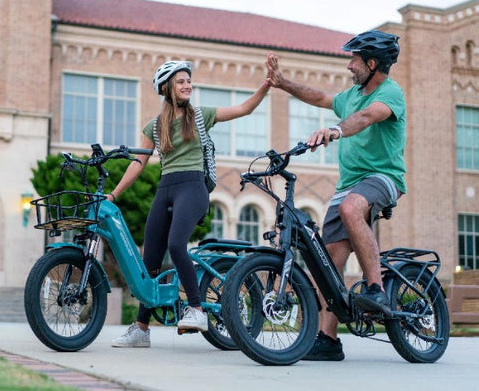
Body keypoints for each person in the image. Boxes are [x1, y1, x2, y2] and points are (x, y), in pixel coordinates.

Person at [266, 30, 406, 361]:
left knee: (351, 207)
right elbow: (319, 97)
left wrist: (337, 130)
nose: (349, 65)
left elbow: (368, 117)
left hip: (383, 177)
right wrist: (283, 83)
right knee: (327, 262)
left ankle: (377, 290)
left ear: (372, 64)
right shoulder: (352, 94)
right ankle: (327, 339)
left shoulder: (390, 93)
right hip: (350, 183)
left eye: (354, 59)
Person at [111, 60, 270, 347]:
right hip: (166, 187)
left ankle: (196, 309)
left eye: (188, 81)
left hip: (193, 187)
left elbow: (244, 109)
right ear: (166, 88)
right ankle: (141, 329)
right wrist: (114, 194)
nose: (187, 85)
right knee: (150, 261)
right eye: (181, 81)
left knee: (176, 244)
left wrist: (266, 85)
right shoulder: (154, 126)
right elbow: (138, 163)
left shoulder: (199, 116)